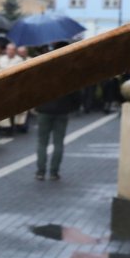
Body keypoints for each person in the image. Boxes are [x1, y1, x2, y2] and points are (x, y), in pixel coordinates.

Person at [33, 41, 81, 181]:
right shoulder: (70, 69)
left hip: (44, 109)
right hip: (62, 110)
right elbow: (76, 91)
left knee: (42, 142)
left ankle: (40, 171)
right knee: (58, 142)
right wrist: (74, 106)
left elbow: (35, 88)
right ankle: (54, 172)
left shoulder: (44, 66)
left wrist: (36, 104)